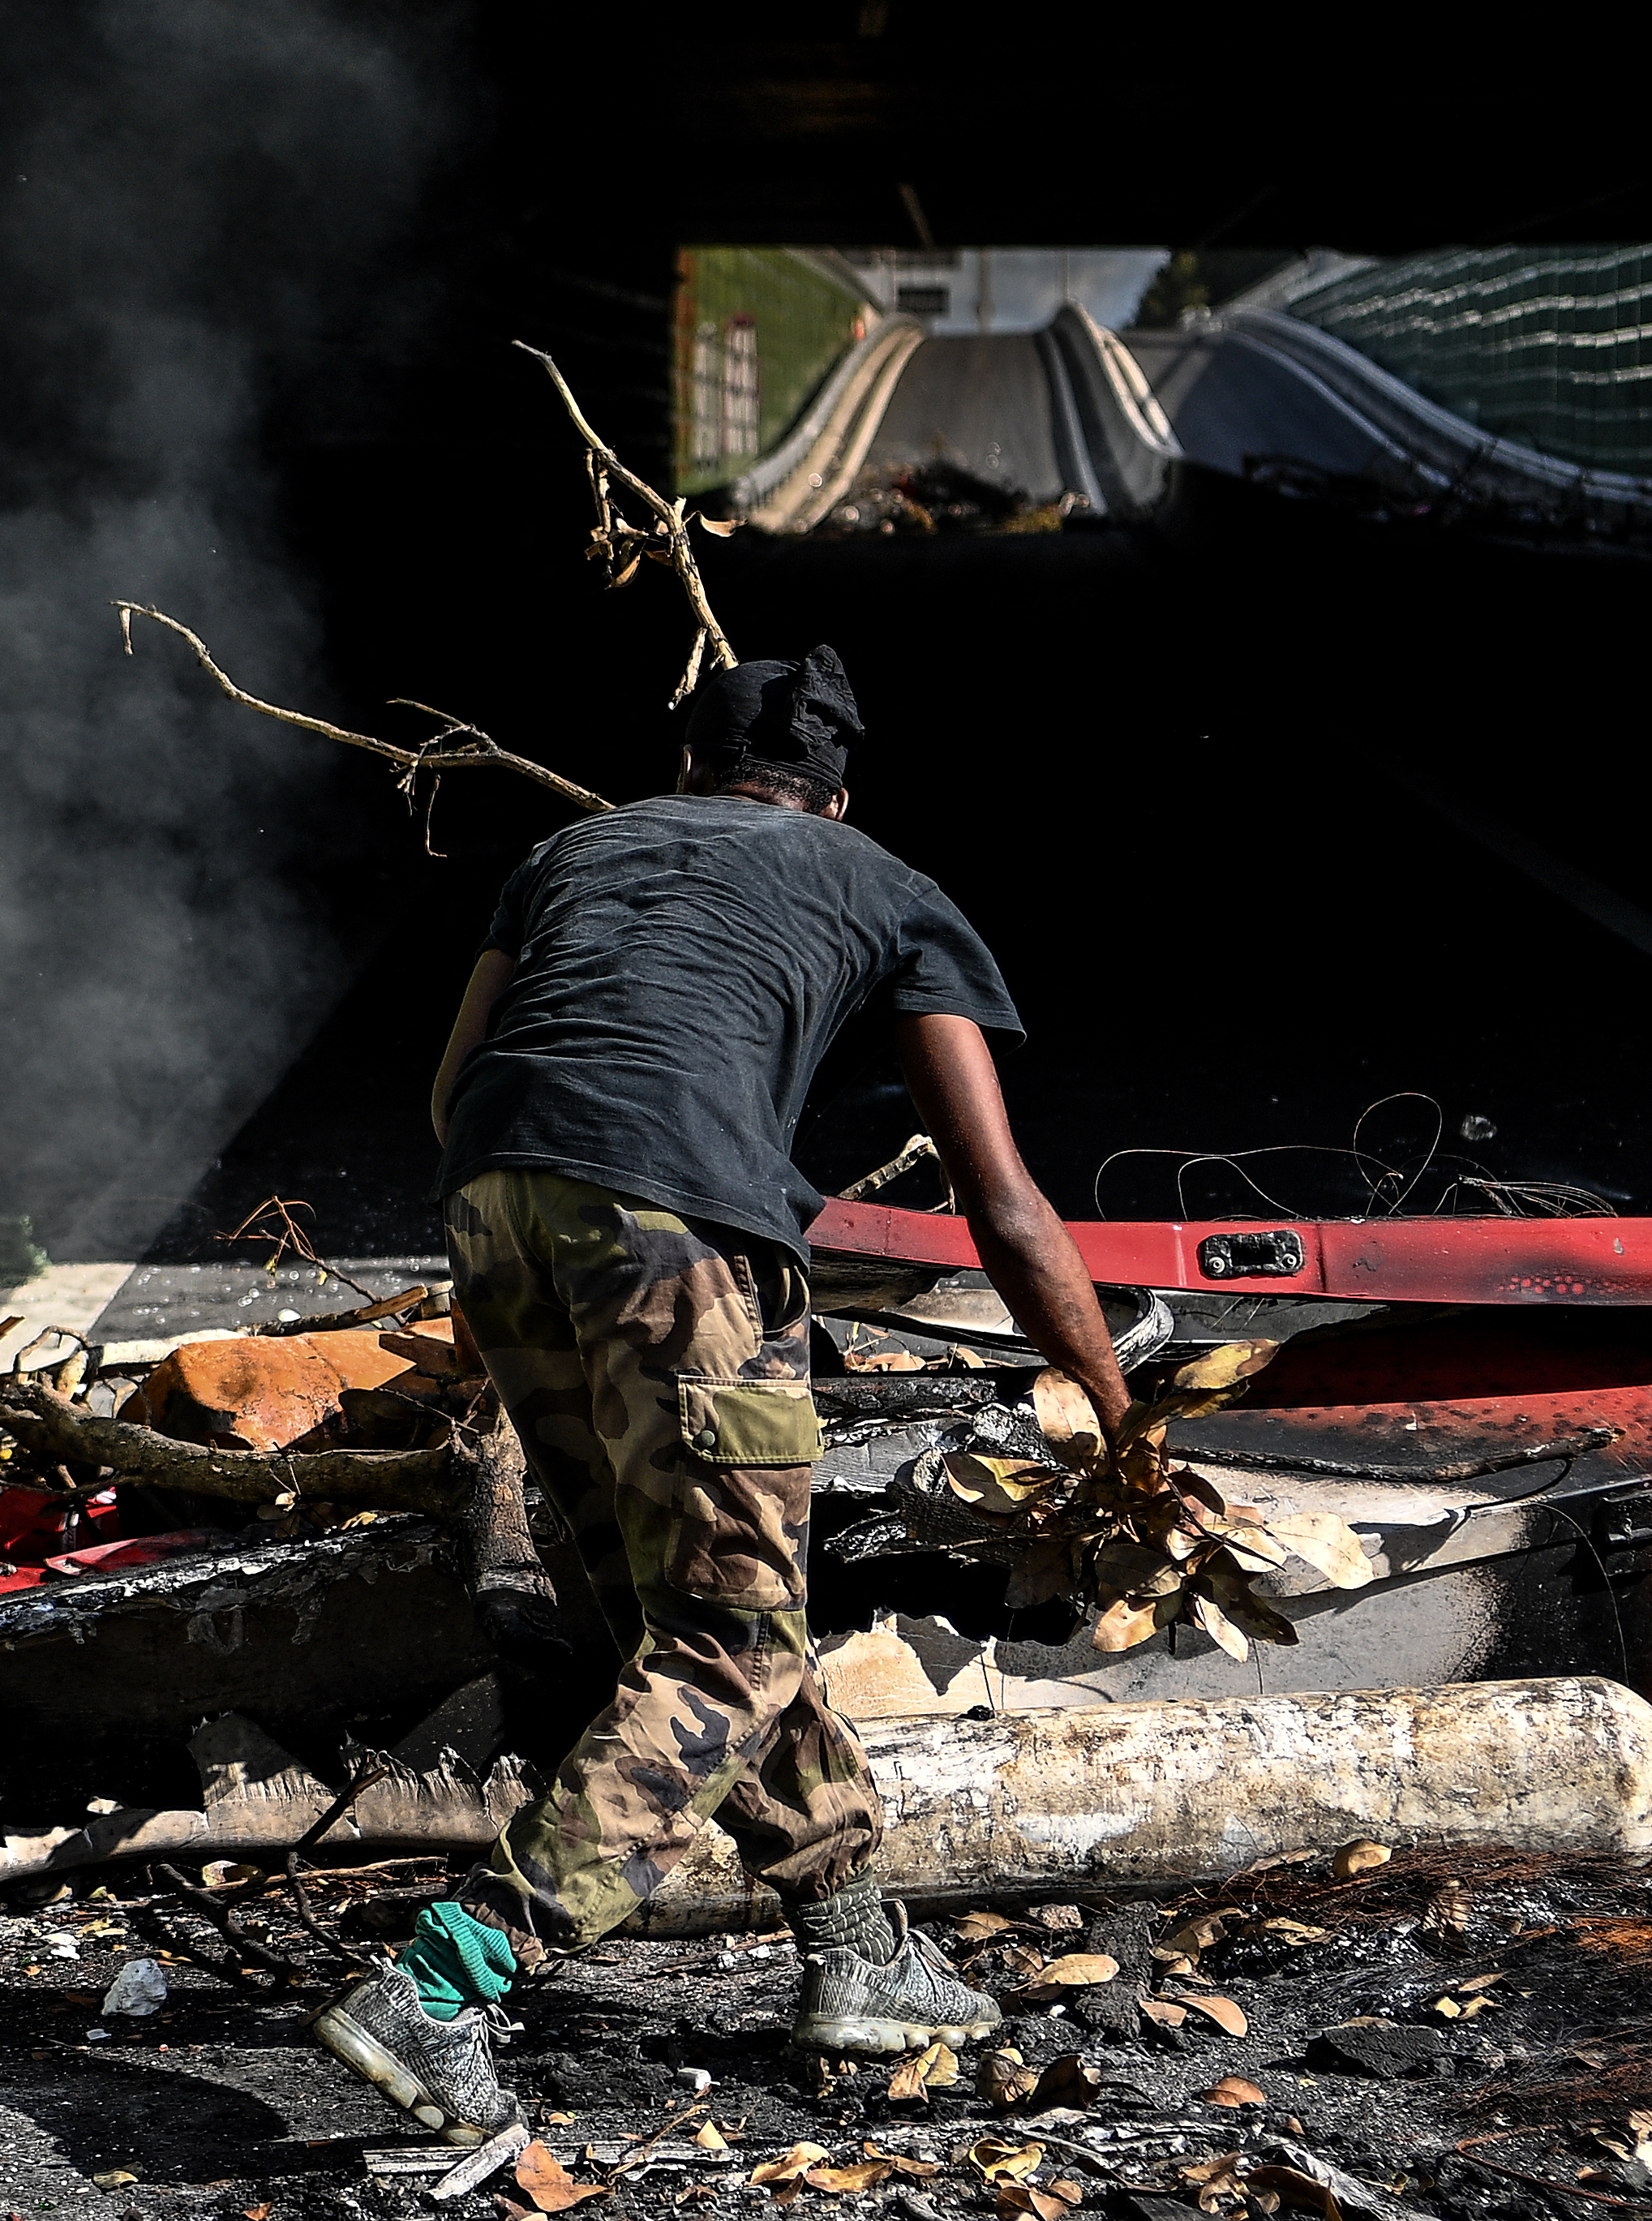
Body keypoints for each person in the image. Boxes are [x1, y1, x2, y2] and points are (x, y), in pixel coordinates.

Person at [310, 644, 1133, 2143]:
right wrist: (1115, 1413)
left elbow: (454, 1090)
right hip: (672, 1237)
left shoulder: (571, 848)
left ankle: (852, 1939)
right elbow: (1002, 1202)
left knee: (683, 1602)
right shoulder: (884, 881)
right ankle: (441, 1984)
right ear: (840, 789)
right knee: (725, 1642)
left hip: (492, 1208)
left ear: (685, 763)